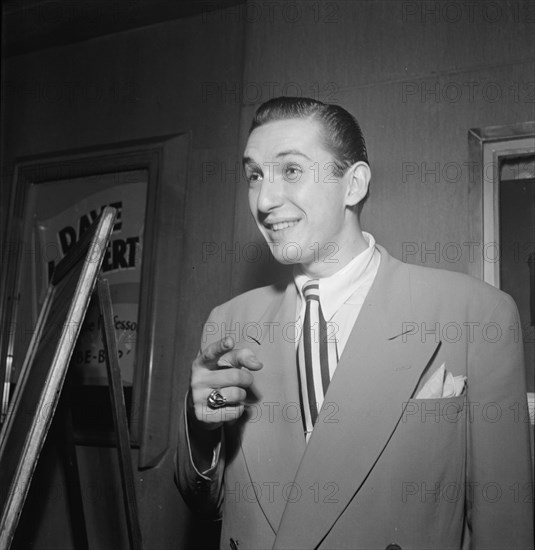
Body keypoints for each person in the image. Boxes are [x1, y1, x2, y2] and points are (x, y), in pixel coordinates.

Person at [176, 97, 533, 550]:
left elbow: (505, 527)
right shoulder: (228, 324)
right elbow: (203, 503)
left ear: (354, 184)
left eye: (290, 171)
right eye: (254, 176)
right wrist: (200, 427)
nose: (264, 201)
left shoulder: (476, 316)